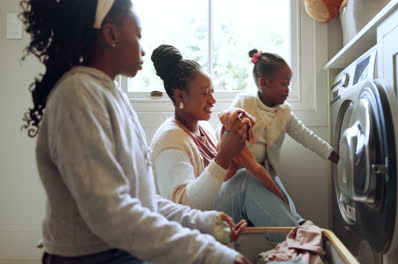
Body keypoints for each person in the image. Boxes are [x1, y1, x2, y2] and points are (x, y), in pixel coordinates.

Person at [20, 0, 251, 263]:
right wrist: (210, 253)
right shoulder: (78, 96)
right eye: (138, 35)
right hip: (91, 256)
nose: (143, 49)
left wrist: (202, 221)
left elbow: (141, 199)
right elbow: (112, 213)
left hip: (121, 249)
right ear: (111, 34)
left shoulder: (112, 95)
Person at [149, 44, 300, 242]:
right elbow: (183, 209)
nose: (212, 100)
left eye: (212, 91)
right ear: (180, 96)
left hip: (210, 216)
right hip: (188, 231)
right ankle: (298, 242)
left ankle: (298, 228)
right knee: (245, 181)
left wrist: (237, 146)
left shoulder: (204, 129)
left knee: (262, 169)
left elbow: (223, 178)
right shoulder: (171, 138)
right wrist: (224, 156)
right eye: (205, 93)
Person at [227, 49, 340, 223]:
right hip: (241, 171)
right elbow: (227, 130)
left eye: (289, 84)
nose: (287, 90)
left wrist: (332, 154)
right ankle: (295, 230)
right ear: (263, 83)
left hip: (267, 172)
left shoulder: (284, 113)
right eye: (283, 84)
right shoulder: (244, 103)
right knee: (275, 201)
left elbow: (305, 136)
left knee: (286, 205)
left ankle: (299, 226)